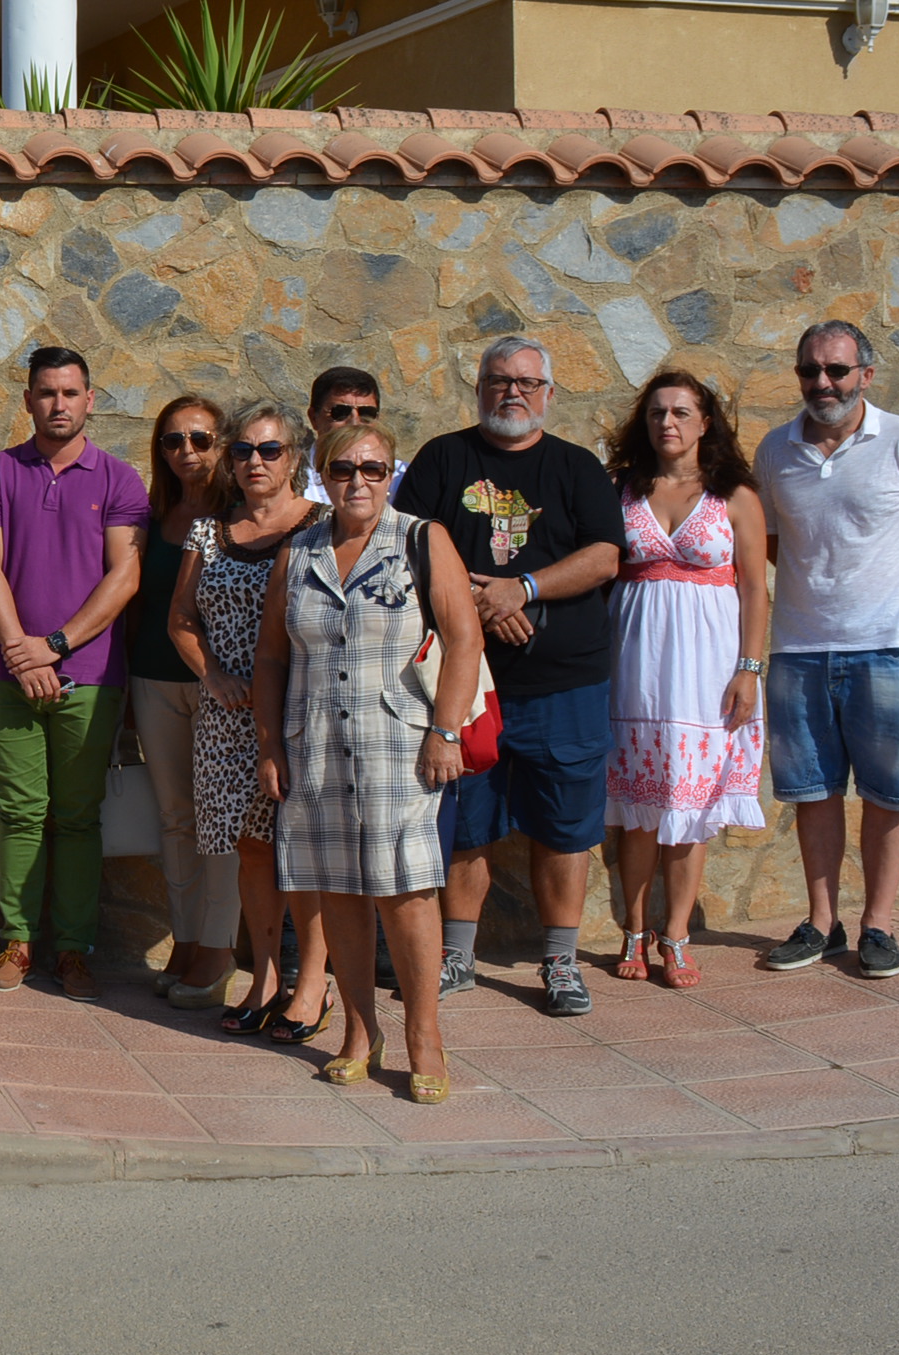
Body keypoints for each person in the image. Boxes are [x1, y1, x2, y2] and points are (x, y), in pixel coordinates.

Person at [394, 336, 626, 1016]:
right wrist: (478, 602)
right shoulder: (443, 459)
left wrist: (521, 588)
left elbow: (605, 558)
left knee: (565, 826)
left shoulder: (577, 468)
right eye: (499, 380)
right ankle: (457, 956)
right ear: (479, 389)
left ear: (548, 393)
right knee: (467, 821)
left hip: (566, 684)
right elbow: (407, 545)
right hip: (466, 686)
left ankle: (560, 961)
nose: (512, 392)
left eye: (526, 382)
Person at [256, 420, 482, 1106]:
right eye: (343, 469)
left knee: (407, 891)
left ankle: (424, 1037)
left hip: (400, 746)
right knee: (338, 892)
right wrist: (271, 744)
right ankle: (360, 1031)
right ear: (322, 475)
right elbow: (272, 656)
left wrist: (446, 732)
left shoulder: (420, 539)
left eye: (373, 469)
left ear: (391, 474)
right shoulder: (298, 552)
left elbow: (464, 638)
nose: (358, 481)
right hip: (315, 745)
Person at [754, 324, 899, 980]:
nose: (822, 383)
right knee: (813, 792)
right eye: (810, 370)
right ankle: (822, 923)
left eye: (837, 370)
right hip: (800, 649)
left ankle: (879, 925)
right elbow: (772, 540)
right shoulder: (775, 450)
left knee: (890, 793)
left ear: (866, 376)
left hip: (888, 650)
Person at [0, 346, 148, 1001]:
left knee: (77, 817)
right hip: (7, 674)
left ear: (90, 399)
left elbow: (124, 575)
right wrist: (21, 653)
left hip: (91, 676)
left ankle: (73, 950)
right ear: (28, 400)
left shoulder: (119, 480)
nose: (59, 404)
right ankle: (17, 943)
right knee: (18, 814)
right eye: (46, 393)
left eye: (70, 393)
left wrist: (56, 645)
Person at [169, 401, 335, 1040]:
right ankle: (264, 978)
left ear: (294, 458)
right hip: (229, 719)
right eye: (242, 451)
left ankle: (313, 983)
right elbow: (181, 618)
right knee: (253, 848)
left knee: (306, 848)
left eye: (270, 450)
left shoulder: (323, 526)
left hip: (304, 711)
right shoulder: (209, 532)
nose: (255, 462)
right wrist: (212, 674)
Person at [602, 372, 768, 989]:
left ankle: (675, 935)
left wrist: (749, 669)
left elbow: (755, 589)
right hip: (636, 665)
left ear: (705, 423)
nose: (667, 422)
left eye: (680, 412)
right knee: (639, 810)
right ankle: (633, 930)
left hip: (708, 670)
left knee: (690, 808)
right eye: (656, 413)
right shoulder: (622, 490)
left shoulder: (735, 496)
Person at [130, 394, 238, 1007]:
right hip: (152, 678)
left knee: (220, 819)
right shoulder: (154, 516)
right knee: (175, 817)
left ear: (222, 444)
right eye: (173, 441)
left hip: (219, 685)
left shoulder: (236, 516)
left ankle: (219, 948)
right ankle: (188, 938)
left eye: (200, 439)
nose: (186, 451)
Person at [301, 366, 398, 501]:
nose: (354, 422)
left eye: (366, 413)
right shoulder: (288, 478)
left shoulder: (401, 480)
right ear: (313, 418)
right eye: (340, 412)